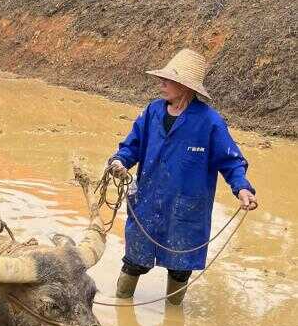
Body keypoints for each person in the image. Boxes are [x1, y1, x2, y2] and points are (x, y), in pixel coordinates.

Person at [109, 49, 257, 305]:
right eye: (163, 78)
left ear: (186, 86)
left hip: (186, 211)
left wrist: (242, 188)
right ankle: (121, 304)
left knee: (180, 268)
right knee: (134, 261)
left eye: (169, 79)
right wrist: (120, 161)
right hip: (147, 204)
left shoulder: (210, 122)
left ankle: (173, 313)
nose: (161, 83)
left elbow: (231, 160)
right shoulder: (152, 112)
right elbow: (132, 146)